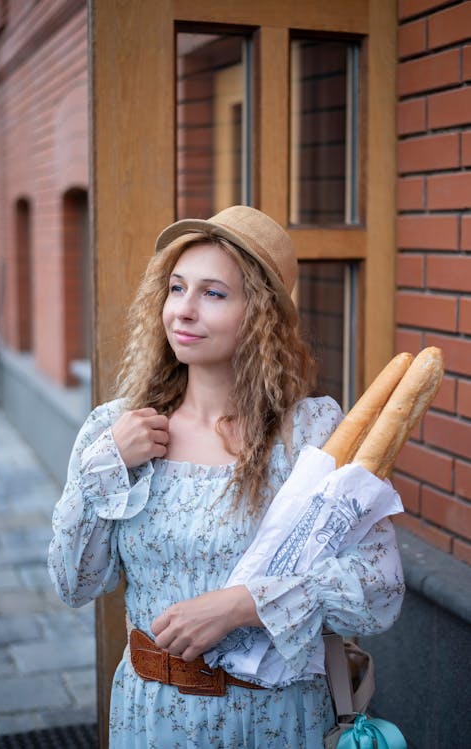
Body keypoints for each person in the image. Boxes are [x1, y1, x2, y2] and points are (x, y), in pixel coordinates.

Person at [48, 205, 405, 748]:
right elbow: (73, 583)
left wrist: (243, 605)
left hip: (274, 721)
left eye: (213, 293)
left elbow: (380, 590)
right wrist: (107, 468)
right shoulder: (116, 431)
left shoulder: (310, 436)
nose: (183, 312)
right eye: (176, 288)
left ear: (260, 315)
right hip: (153, 719)